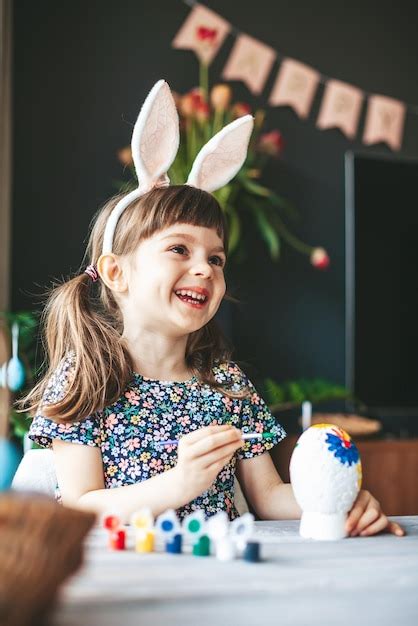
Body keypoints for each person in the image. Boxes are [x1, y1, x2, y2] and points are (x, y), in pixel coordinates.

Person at [25, 80, 403, 537]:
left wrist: (332, 501)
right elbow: (81, 507)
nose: (204, 269)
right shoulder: (89, 373)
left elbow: (267, 496)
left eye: (216, 258)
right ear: (116, 273)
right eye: (179, 250)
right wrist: (179, 483)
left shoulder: (224, 382)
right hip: (126, 582)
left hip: (221, 575)